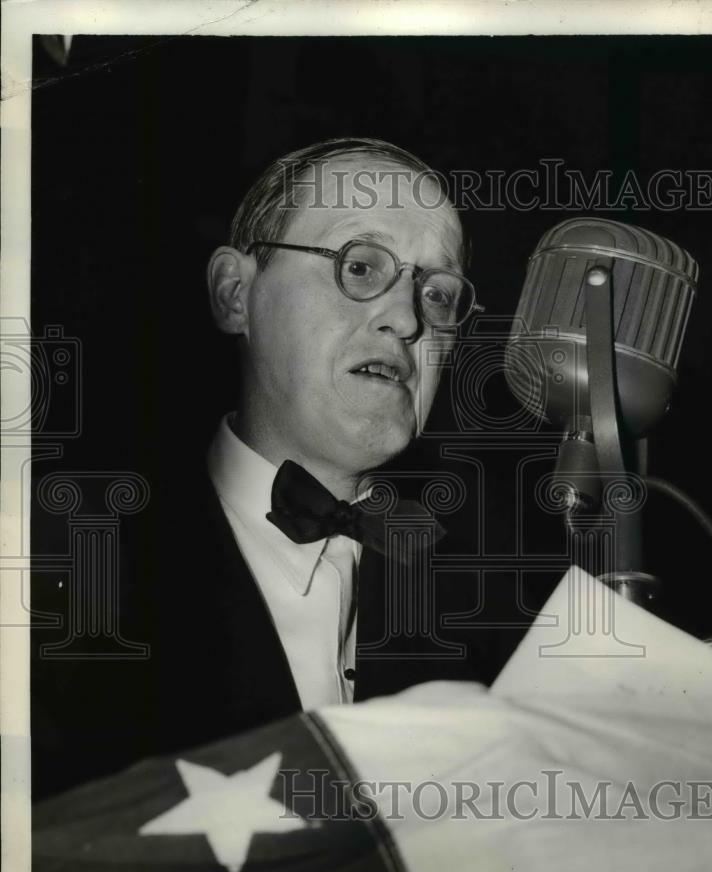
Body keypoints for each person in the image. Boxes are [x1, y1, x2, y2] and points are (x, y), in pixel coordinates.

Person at [31, 137, 513, 797]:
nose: (405, 320)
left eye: (436, 294)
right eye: (361, 266)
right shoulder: (60, 568)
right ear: (235, 294)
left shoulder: (497, 598)